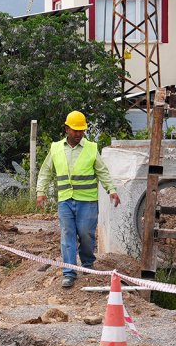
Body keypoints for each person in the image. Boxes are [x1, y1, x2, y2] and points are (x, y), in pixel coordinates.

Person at [35, 110, 121, 288]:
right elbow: (45, 172)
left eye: (81, 130)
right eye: (75, 130)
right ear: (67, 129)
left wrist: (111, 189)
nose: (78, 134)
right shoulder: (56, 148)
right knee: (67, 235)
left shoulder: (91, 148)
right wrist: (40, 191)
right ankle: (69, 272)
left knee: (85, 234)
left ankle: (87, 264)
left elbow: (102, 171)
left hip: (87, 201)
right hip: (65, 200)